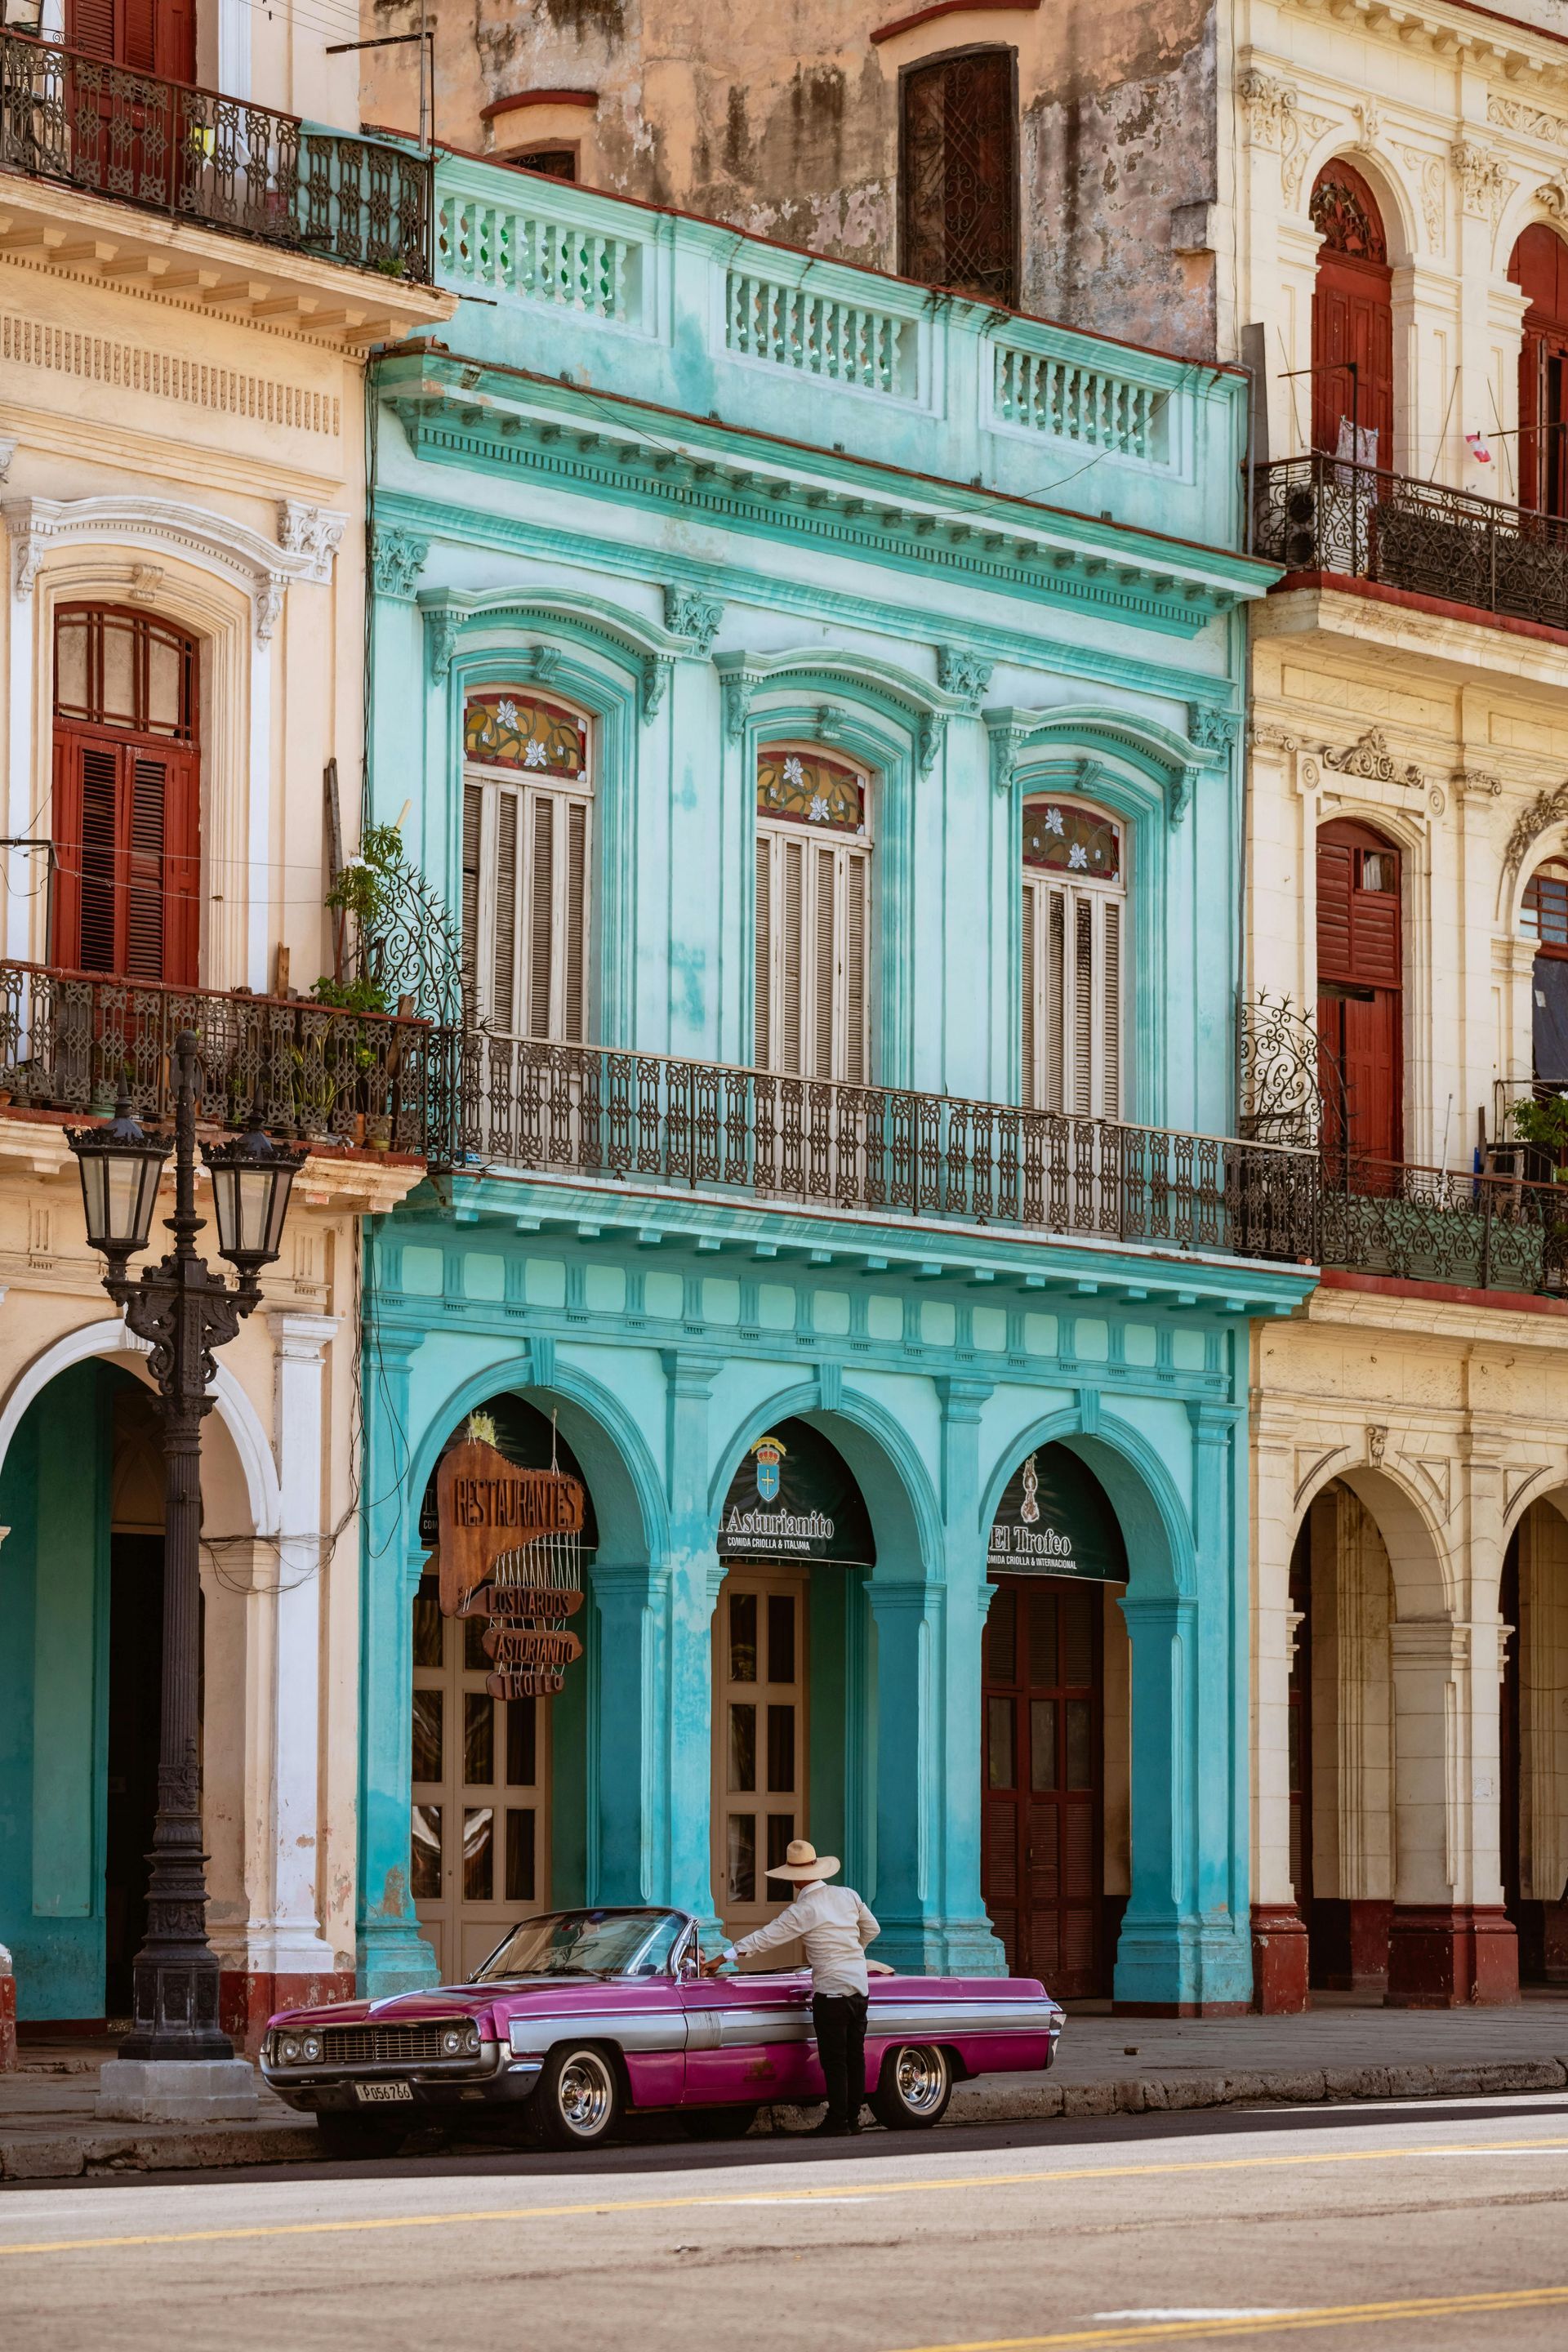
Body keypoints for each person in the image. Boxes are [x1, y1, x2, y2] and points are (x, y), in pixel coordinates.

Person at [704, 1838, 893, 2136]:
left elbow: (766, 1937)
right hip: (859, 1988)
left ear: (797, 1878)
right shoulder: (847, 1895)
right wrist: (853, 1952)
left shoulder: (805, 1908)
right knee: (855, 2057)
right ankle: (852, 2120)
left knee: (834, 2060)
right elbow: (873, 1928)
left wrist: (721, 1957)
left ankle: (838, 2120)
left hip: (831, 1992)